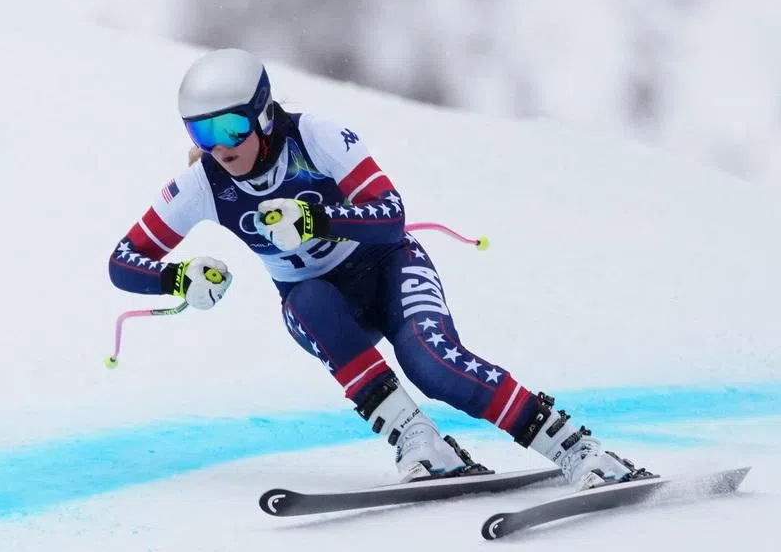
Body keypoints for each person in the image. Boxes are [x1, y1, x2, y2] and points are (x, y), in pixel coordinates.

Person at [108, 48, 653, 487]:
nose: (219, 147)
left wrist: (319, 221)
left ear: (264, 113)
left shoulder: (316, 136)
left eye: (230, 127)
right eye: (201, 133)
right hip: (324, 304)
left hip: (388, 268)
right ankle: (418, 441)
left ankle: (576, 449)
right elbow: (123, 263)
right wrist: (177, 278)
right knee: (308, 301)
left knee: (433, 366)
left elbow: (391, 216)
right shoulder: (203, 184)